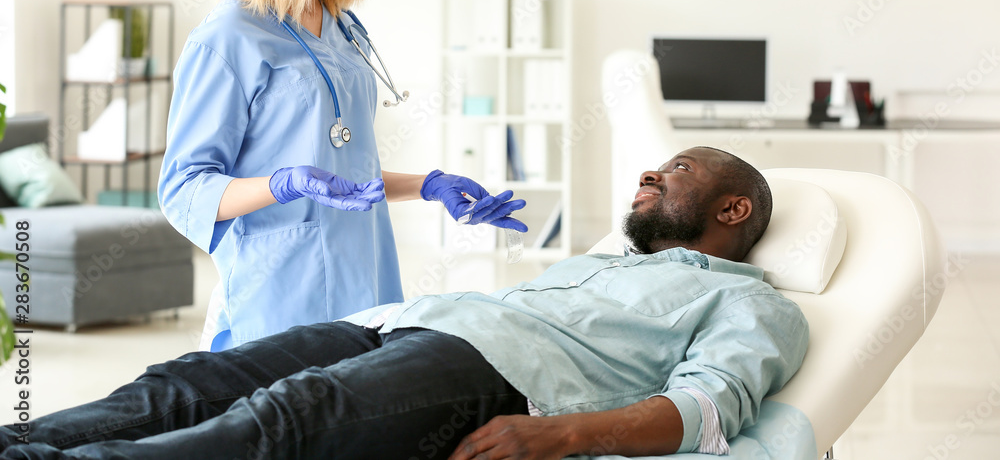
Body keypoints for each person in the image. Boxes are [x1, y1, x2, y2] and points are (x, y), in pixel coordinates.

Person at [4, 147, 808, 459]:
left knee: (286, 417)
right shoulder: (601, 259)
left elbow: (704, 411)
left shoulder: (757, 305)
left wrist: (555, 432)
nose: (650, 172)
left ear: (733, 210)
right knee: (182, 383)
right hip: (394, 320)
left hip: (494, 364)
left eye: (680, 170)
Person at [157, 0, 526, 352]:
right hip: (276, 302)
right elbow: (183, 190)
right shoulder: (229, 38)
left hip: (368, 286)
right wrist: (282, 184)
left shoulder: (344, 27)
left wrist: (429, 185)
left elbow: (343, 174)